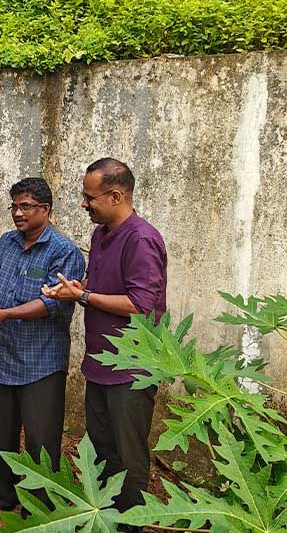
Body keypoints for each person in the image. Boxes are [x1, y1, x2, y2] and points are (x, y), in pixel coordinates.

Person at [43, 158, 167, 533]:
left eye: (89, 197)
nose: (83, 204)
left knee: (129, 456)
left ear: (115, 195)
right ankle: (106, 520)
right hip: (100, 364)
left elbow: (140, 304)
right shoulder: (101, 235)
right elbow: (96, 286)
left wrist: (84, 296)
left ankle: (130, 524)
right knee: (101, 447)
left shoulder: (142, 239)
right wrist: (71, 290)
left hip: (131, 368)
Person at [0, 177, 86, 521]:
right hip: (3, 357)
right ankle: (1, 498)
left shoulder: (63, 251)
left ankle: (38, 508)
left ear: (45, 210)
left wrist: (5, 314)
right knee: (1, 434)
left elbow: (51, 303)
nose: (18, 214)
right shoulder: (7, 243)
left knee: (41, 440)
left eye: (26, 207)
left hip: (42, 362)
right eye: (14, 206)